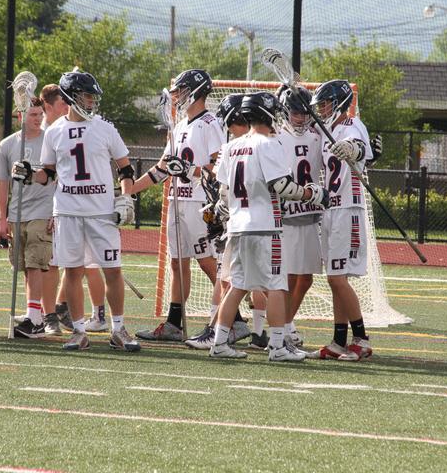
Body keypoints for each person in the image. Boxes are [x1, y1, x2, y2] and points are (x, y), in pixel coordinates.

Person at [16, 70, 140, 352]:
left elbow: (125, 168)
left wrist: (126, 197)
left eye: (93, 97)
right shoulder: (54, 131)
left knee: (112, 270)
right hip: (68, 212)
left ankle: (118, 329)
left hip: (101, 213)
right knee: (72, 272)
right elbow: (48, 175)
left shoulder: (105, 128)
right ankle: (79, 331)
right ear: (72, 97)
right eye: (87, 96)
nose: (92, 101)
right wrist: (28, 174)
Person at [209, 91, 327, 361]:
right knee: (276, 286)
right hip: (264, 226)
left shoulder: (232, 146)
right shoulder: (269, 144)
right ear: (265, 113)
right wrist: (312, 194)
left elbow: (224, 192)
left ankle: (219, 342)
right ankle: (277, 347)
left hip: (237, 226)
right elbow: (282, 186)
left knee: (238, 285)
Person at [131, 69, 230, 342]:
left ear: (196, 91)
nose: (177, 96)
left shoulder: (210, 123)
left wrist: (188, 169)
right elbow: (162, 168)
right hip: (177, 200)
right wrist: (129, 189)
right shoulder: (180, 125)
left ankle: (231, 321)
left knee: (208, 263)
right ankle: (174, 324)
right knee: (177, 262)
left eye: (182, 90)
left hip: (200, 201)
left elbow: (219, 169)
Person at [183, 93, 261, 350]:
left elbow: (226, 184)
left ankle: (219, 332)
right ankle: (266, 334)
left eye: (229, 122)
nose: (227, 128)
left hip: (250, 222)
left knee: (235, 279)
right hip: (250, 221)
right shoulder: (254, 144)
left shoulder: (244, 147)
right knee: (257, 281)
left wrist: (222, 210)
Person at [307, 79, 374, 361]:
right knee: (335, 279)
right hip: (331, 209)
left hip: (348, 208)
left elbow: (360, 148)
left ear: (339, 103)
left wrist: (351, 149)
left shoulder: (351, 124)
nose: (321, 109)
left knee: (337, 278)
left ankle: (361, 339)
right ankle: (338, 340)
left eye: (325, 104)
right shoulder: (326, 130)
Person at [0, 96, 62, 338]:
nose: (38, 118)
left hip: (43, 211)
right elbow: (2, 183)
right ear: (20, 116)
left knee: (36, 263)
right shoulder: (7, 145)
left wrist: (56, 211)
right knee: (24, 265)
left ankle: (35, 317)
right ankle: (32, 312)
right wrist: (2, 218)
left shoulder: (50, 140)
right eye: (33, 114)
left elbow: (59, 177)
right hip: (17, 213)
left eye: (40, 114)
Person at [275, 85, 325, 349]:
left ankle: (285, 324)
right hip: (287, 214)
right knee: (288, 277)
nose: (301, 118)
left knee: (306, 279)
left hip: (311, 213)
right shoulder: (277, 137)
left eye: (305, 113)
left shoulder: (317, 136)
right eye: (296, 113)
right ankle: (281, 329)